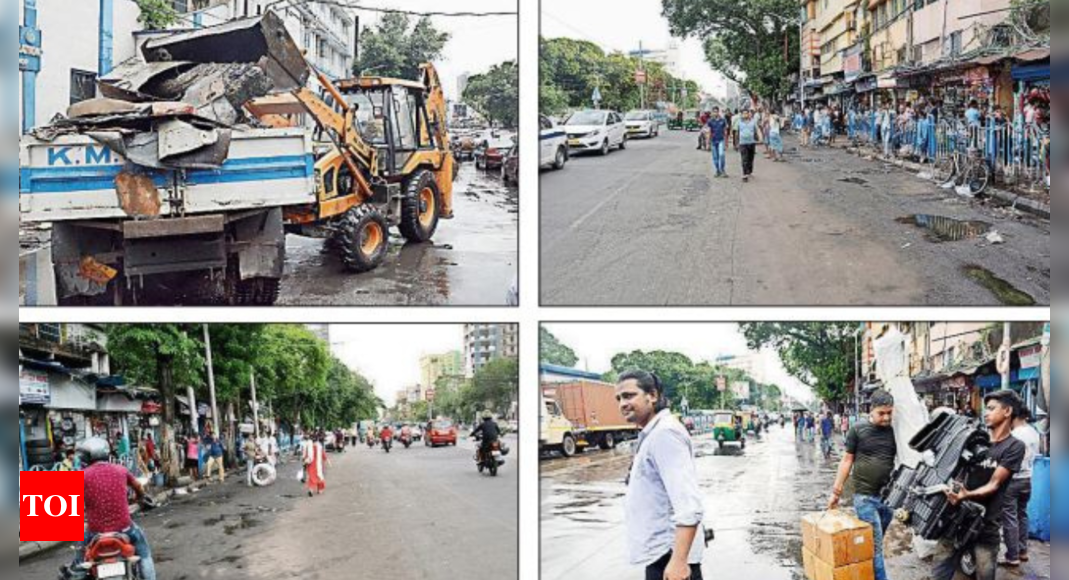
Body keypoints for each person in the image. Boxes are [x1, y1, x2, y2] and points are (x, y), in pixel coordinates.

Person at [616, 371, 706, 580]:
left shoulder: (664, 434)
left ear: (653, 395)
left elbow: (689, 505)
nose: (622, 403)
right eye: (619, 398)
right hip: (662, 556)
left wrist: (679, 562)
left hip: (669, 557)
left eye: (629, 396)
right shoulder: (653, 433)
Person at [934, 390, 1028, 580]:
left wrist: (965, 494)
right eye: (986, 408)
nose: (986, 413)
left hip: (986, 524)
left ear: (1008, 411)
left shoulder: (1014, 446)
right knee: (939, 572)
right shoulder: (975, 440)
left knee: (985, 574)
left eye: (992, 408)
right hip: (955, 519)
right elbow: (955, 470)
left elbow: (994, 484)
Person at [828, 390, 898, 580]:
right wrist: (836, 491)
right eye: (881, 413)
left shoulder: (896, 430)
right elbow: (847, 460)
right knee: (875, 548)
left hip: (889, 499)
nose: (886, 417)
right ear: (871, 410)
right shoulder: (857, 430)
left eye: (889, 413)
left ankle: (864, 573)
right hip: (865, 498)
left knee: (874, 545)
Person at [69, 437, 157, 580]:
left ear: (87, 456)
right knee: (144, 553)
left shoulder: (81, 476)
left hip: (94, 532)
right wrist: (142, 497)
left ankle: (77, 574)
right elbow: (138, 487)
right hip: (125, 528)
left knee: (79, 559)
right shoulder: (121, 470)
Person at [1002, 406, 1040, 566]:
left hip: (1013, 479)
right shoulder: (1033, 432)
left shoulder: (1014, 435)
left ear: (1014, 416)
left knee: (1009, 517)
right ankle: (1023, 551)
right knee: (1022, 515)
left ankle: (1012, 555)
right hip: (1027, 479)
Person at [734, 110, 762, 183]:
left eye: (746, 113)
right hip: (743, 143)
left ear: (749, 114)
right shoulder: (739, 122)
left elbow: (757, 130)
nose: (745, 115)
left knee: (750, 158)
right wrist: (736, 143)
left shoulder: (753, 122)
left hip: (751, 142)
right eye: (744, 113)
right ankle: (744, 174)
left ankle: (749, 171)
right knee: (744, 159)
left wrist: (760, 138)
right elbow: (737, 133)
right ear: (742, 115)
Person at [706, 107, 730, 178]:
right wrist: (708, 143)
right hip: (713, 141)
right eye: (714, 112)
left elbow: (725, 132)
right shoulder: (710, 121)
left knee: (721, 155)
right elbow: (709, 132)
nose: (715, 113)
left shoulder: (723, 120)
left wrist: (726, 142)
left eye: (716, 111)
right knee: (715, 158)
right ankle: (717, 170)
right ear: (712, 113)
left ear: (718, 112)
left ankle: (722, 169)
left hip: (721, 140)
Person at [304, 433, 330, 497]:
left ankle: (310, 490)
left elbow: (306, 455)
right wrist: (328, 461)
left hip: (311, 464)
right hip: (318, 465)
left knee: (311, 477)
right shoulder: (319, 446)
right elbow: (323, 455)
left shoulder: (308, 446)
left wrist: (305, 462)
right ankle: (319, 490)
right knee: (319, 476)